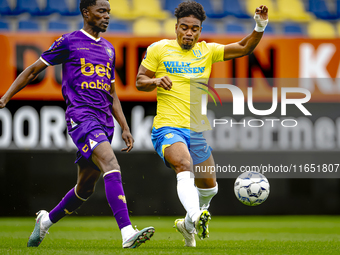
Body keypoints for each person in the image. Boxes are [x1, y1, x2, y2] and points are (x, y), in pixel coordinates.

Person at [0, 0, 154, 249]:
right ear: (86, 12)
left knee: (85, 188)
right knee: (111, 163)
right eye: (101, 11)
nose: (106, 16)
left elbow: (111, 93)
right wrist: (6, 96)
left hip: (104, 120)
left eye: (109, 12)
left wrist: (124, 126)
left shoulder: (108, 49)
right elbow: (32, 70)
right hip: (81, 117)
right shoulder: (69, 41)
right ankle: (127, 232)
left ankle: (45, 221)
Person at [136, 0, 268, 247]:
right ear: (176, 27)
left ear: (200, 30)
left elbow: (243, 47)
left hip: (195, 130)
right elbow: (139, 80)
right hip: (168, 127)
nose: (189, 32)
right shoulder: (159, 49)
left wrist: (260, 26)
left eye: (194, 29)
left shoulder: (206, 51)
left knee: (209, 186)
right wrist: (155, 81)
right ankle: (196, 216)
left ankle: (187, 225)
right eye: (184, 27)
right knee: (184, 164)